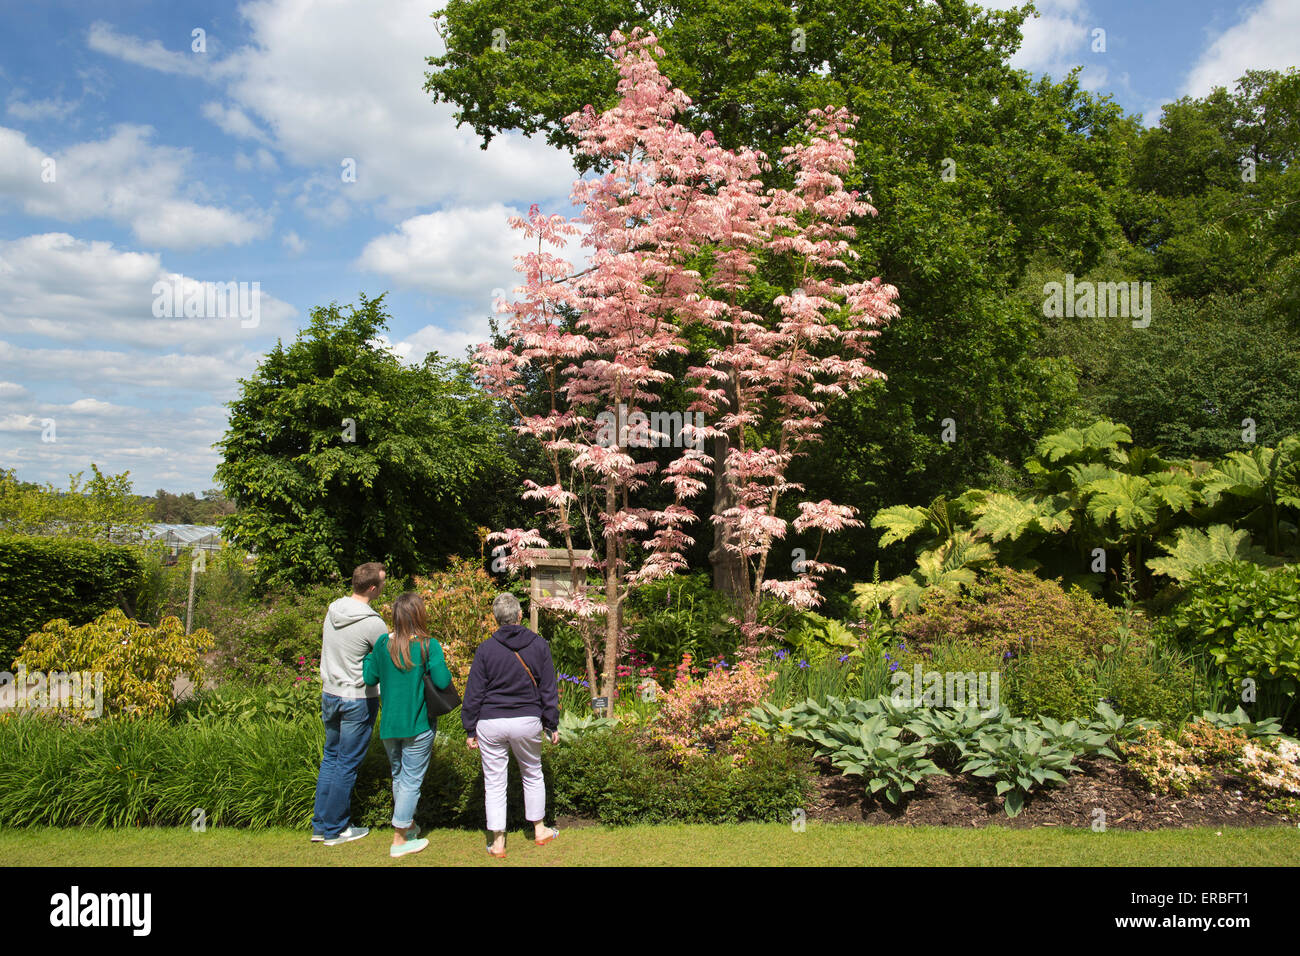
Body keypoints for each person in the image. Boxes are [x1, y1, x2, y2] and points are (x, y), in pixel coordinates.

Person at [461, 593, 560, 858]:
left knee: (494, 782)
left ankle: (498, 842)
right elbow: (548, 689)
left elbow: (474, 693)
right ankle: (539, 830)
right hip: (527, 720)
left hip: (490, 721)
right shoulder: (539, 645)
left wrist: (470, 728)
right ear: (519, 616)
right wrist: (552, 724)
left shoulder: (485, 649)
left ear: (496, 619)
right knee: (532, 773)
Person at [363, 591, 453, 859]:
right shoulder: (428, 645)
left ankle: (409, 825)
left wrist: (371, 655)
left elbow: (369, 677)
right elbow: (442, 680)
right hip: (418, 723)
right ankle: (400, 838)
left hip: (390, 724)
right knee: (411, 780)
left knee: (400, 776)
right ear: (419, 614)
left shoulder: (382, 644)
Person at [311, 562, 387, 846]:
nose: (383, 587)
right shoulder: (372, 622)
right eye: (381, 583)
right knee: (346, 764)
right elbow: (385, 660)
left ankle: (320, 824)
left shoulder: (333, 610)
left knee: (330, 758)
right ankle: (335, 829)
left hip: (330, 693)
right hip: (357, 698)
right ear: (371, 588)